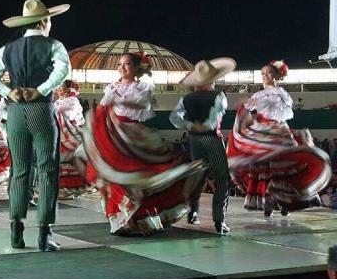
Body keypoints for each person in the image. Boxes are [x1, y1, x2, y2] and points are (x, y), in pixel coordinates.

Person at [82, 52, 205, 235]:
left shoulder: (144, 87)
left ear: (137, 67)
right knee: (116, 178)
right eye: (120, 64)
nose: (122, 67)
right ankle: (123, 221)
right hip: (114, 135)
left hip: (133, 135)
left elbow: (141, 105)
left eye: (127, 64)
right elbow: (101, 109)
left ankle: (140, 221)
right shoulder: (111, 87)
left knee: (138, 178)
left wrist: (116, 102)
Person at [0, 0, 70, 252]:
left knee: (19, 170)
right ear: (44, 21)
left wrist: (8, 92)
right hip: (40, 110)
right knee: (47, 169)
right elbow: (63, 71)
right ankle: (45, 234)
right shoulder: (53, 45)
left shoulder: (6, 49)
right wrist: (41, 90)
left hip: (15, 113)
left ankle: (16, 231)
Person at [226, 60, 331, 217]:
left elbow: (285, 112)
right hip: (262, 129)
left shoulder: (282, 94)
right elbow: (250, 109)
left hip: (279, 129)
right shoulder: (258, 94)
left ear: (276, 75)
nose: (265, 76)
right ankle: (270, 200)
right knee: (264, 165)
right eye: (262, 73)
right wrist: (245, 107)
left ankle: (286, 201)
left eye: (268, 73)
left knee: (285, 164)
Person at [169, 57, 236, 235]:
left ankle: (193, 212)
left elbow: (174, 118)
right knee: (222, 178)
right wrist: (204, 125)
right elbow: (215, 117)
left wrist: (191, 125)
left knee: (198, 176)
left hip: (194, 140)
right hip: (211, 138)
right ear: (212, 81)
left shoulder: (187, 98)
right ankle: (219, 219)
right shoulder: (218, 96)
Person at [54, 80, 90, 199]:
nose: (59, 90)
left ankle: (71, 188)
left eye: (61, 87)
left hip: (69, 131)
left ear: (69, 89)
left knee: (68, 160)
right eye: (58, 87)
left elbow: (72, 116)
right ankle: (63, 188)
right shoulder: (58, 101)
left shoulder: (73, 101)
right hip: (59, 131)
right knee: (60, 161)